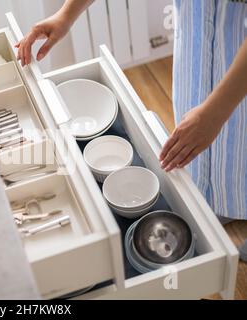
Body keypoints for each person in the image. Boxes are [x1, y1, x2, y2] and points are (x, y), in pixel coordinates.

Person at [16, 0, 247, 261]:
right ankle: (217, 200)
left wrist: (215, 113)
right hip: (199, 47)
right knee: (213, 153)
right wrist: (65, 15)